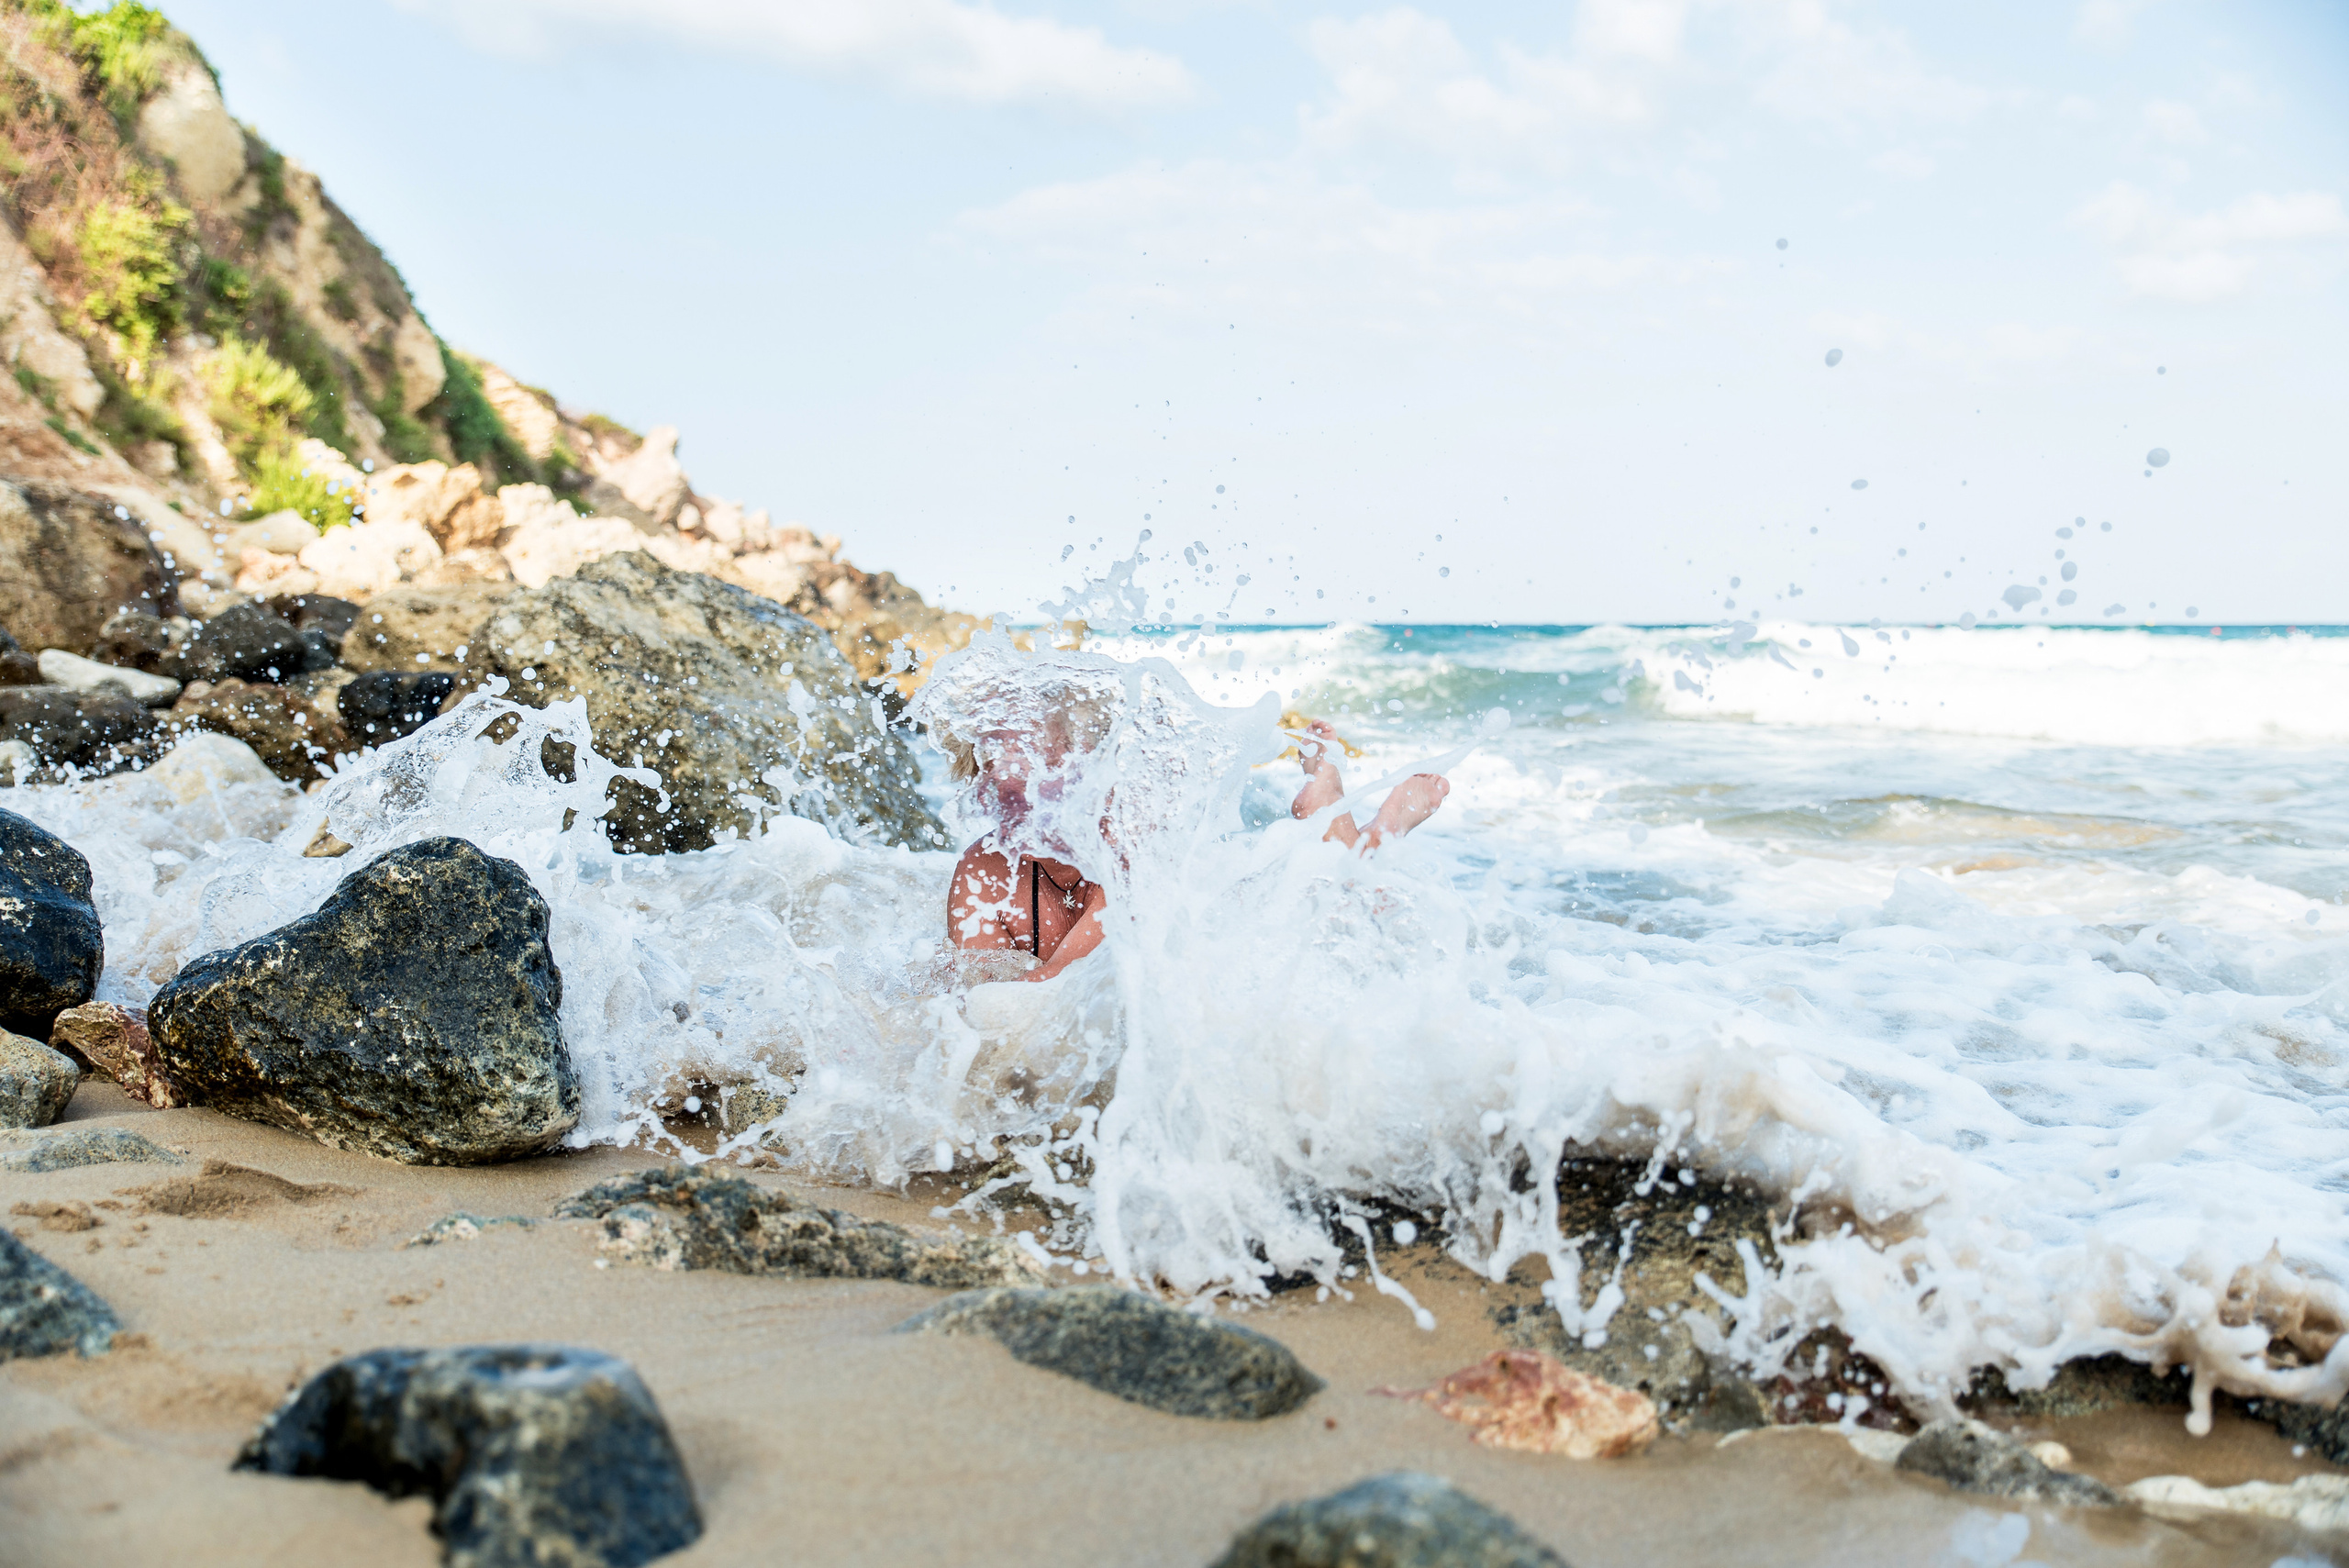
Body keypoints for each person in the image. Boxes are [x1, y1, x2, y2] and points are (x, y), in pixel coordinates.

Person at [945, 709, 1451, 982]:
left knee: (1344, 909)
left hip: (1224, 929)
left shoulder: (1129, 838)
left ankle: (1357, 820)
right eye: (1009, 796)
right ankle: (1358, 823)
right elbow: (989, 1012)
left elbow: (1059, 980)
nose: (1029, 809)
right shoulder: (983, 873)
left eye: (1050, 785)